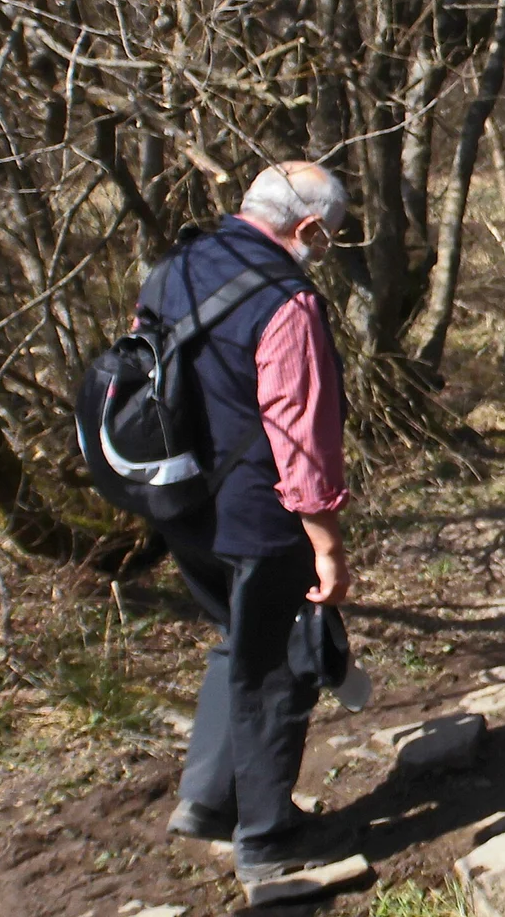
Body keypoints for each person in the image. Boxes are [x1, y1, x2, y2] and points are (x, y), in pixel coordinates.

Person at [153, 163, 359, 891]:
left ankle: (207, 803)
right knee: (282, 664)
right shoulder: (287, 301)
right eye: (328, 237)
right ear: (307, 229)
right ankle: (268, 840)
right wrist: (326, 543)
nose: (324, 249)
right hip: (258, 513)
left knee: (236, 638)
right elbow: (300, 434)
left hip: (180, 501)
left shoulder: (175, 266)